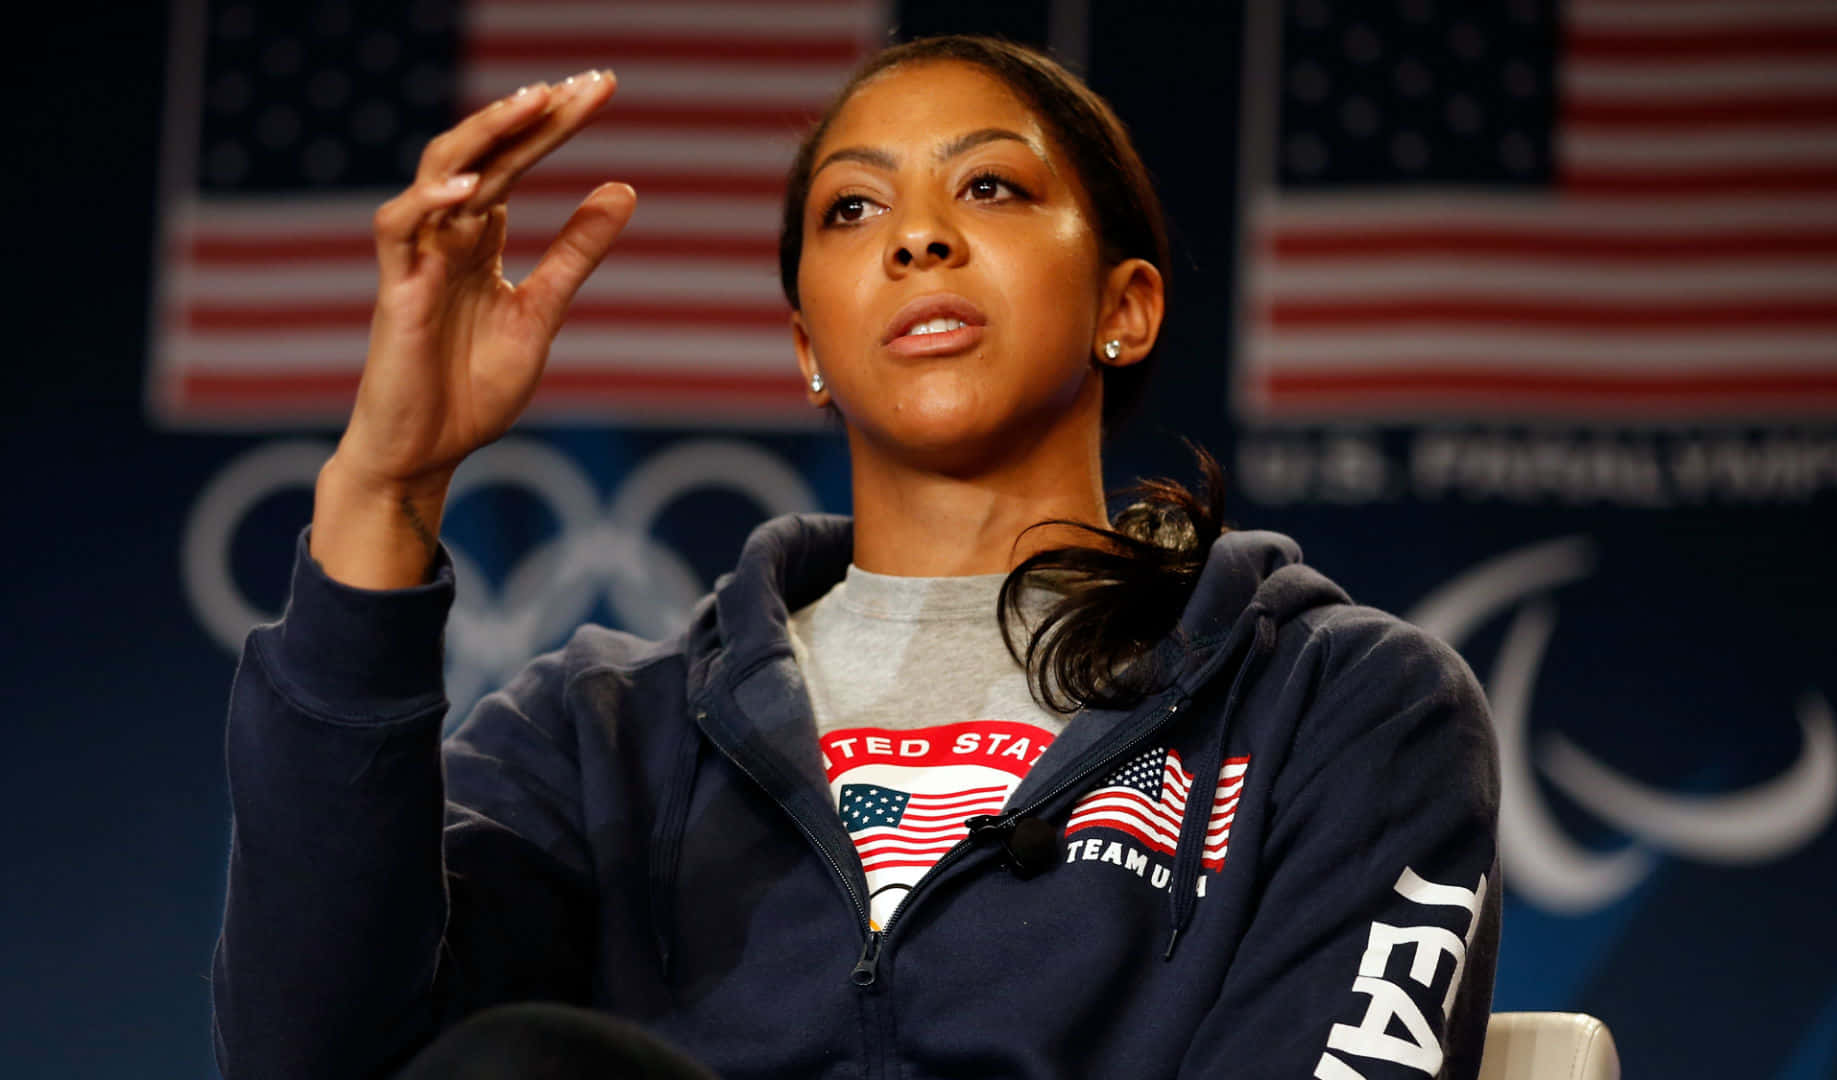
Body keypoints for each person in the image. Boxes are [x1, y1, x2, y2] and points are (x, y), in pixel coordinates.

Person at [212, 34, 1499, 1080]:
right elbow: (306, 1053)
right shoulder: (604, 738)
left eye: (990, 187)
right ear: (808, 348)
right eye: (854, 207)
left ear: (1126, 306)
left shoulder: (1339, 705)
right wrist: (387, 485)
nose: (918, 238)